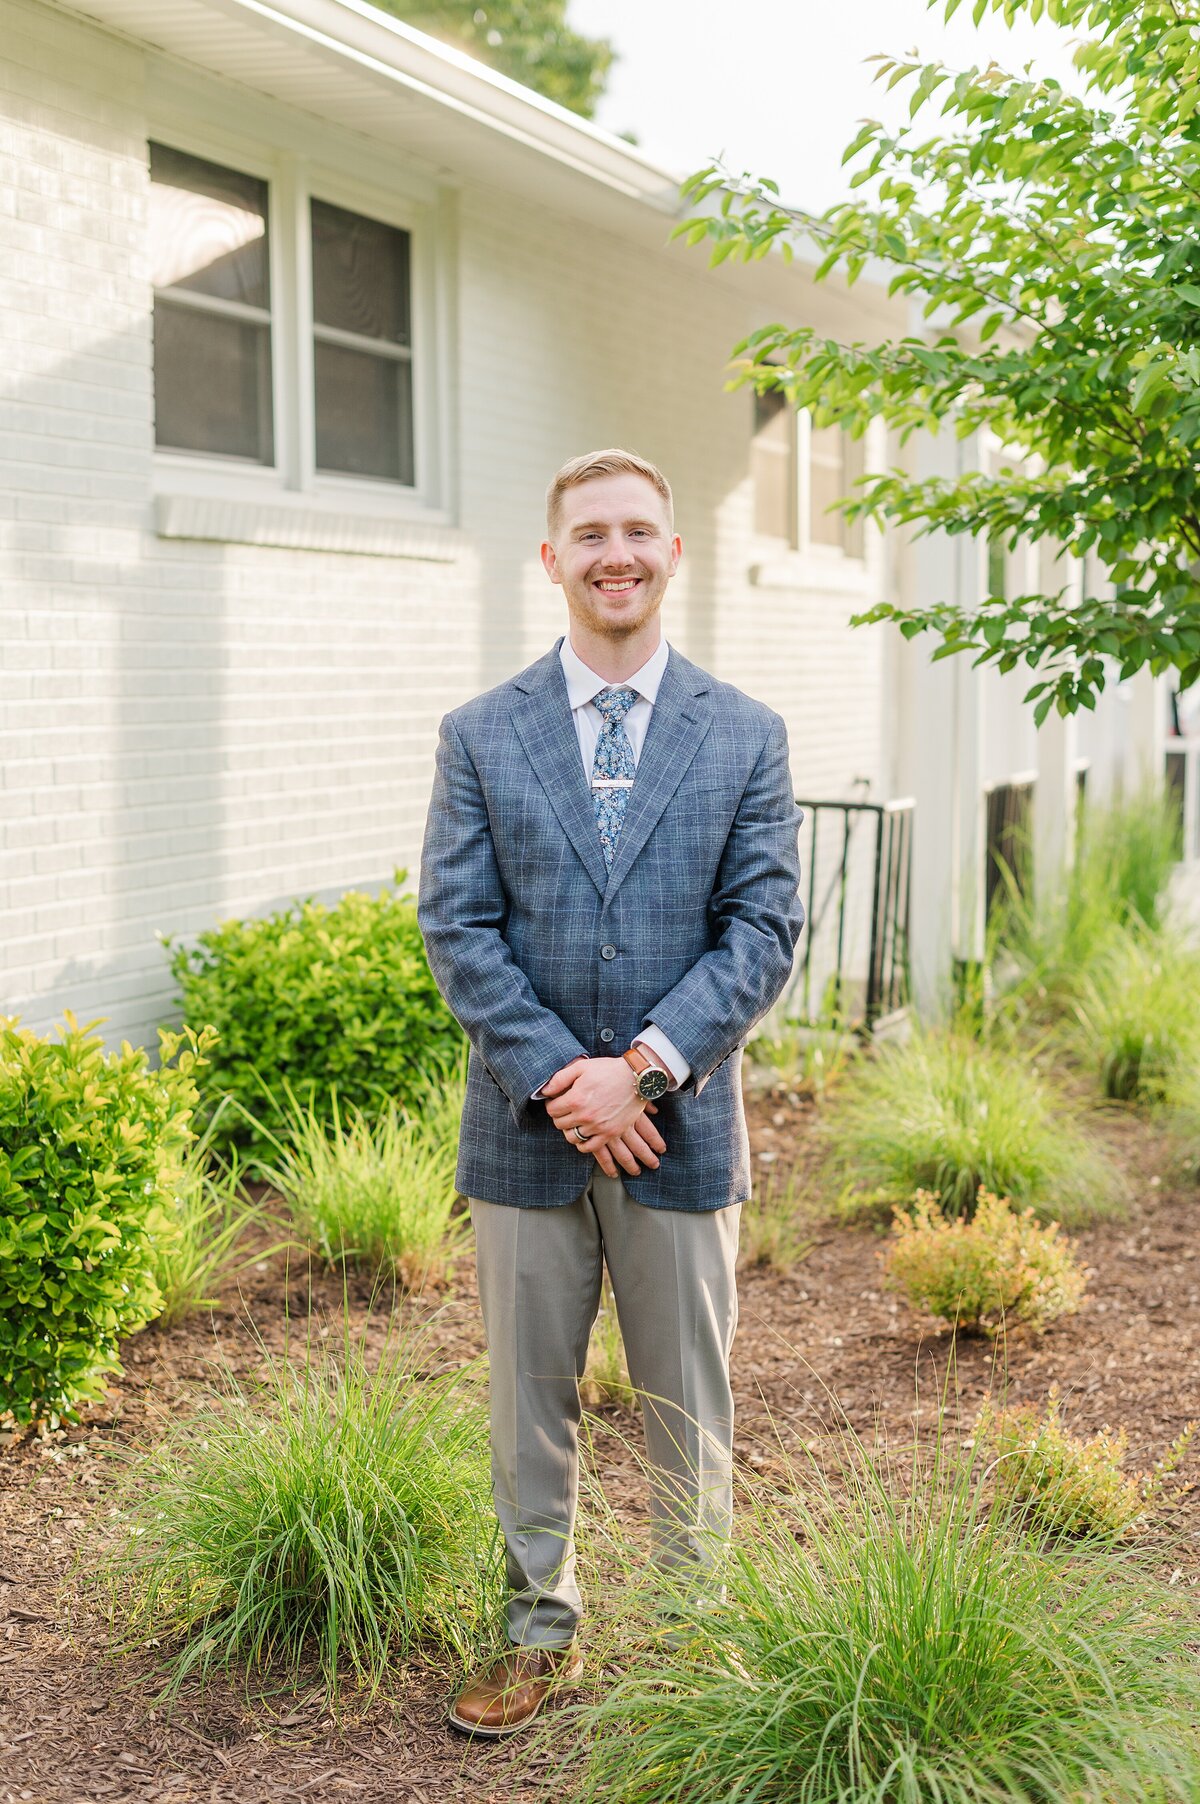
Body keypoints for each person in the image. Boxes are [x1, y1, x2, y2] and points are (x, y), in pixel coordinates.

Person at [417, 448, 804, 1738]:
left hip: (679, 1136)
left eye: (640, 530)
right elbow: (459, 930)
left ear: (673, 554)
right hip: (524, 1139)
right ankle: (536, 1627)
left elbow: (761, 930)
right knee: (528, 1399)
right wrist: (561, 1081)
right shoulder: (480, 734)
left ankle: (698, 1645)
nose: (616, 553)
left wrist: (635, 1068)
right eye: (590, 534)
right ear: (552, 560)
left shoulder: (744, 734)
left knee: (688, 1399)